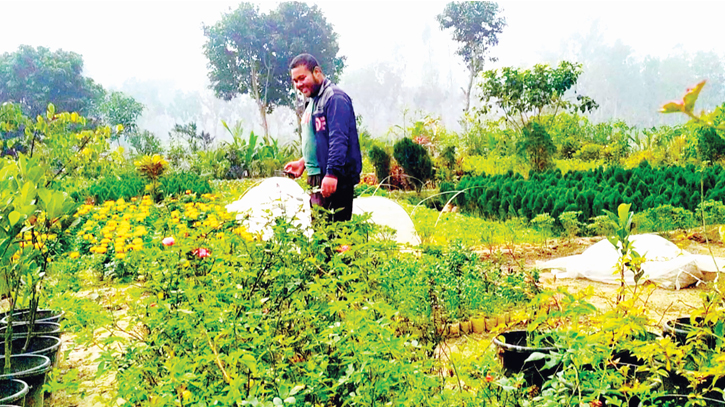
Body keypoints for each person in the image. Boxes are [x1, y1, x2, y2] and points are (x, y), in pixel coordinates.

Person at [284, 53, 362, 222]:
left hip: (333, 177)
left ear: (317, 72)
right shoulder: (313, 101)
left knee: (336, 236)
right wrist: (304, 162)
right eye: (295, 81)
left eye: (302, 78)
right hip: (318, 176)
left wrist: (332, 173)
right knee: (321, 236)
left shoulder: (334, 98)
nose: (298, 84)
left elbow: (339, 139)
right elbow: (320, 139)